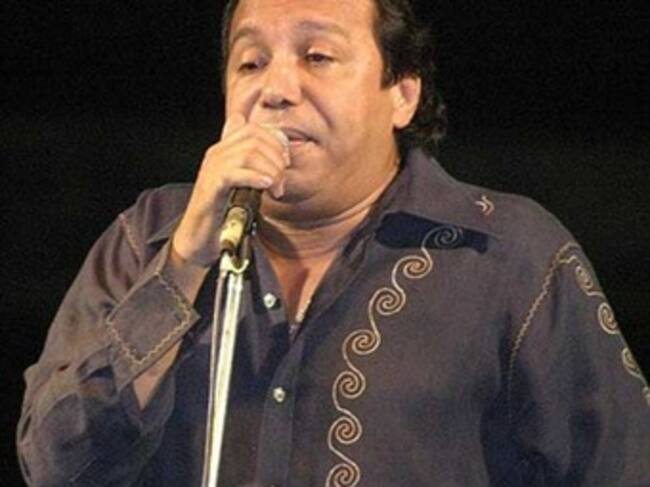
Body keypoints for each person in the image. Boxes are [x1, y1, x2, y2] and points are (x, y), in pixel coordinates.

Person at [16, 0, 650, 485]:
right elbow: (54, 466)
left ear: (403, 94)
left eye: (317, 57)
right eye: (250, 62)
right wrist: (183, 263)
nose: (276, 89)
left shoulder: (510, 255)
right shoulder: (148, 237)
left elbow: (621, 466)